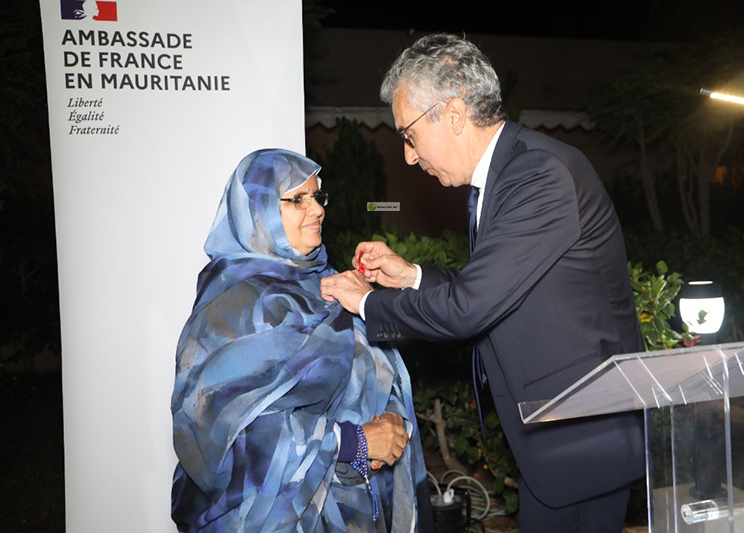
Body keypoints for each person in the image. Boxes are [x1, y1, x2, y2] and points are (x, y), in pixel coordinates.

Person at [320, 34, 646, 532]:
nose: (408, 156)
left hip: (583, 440)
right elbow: (497, 285)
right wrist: (413, 276)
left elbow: (471, 306)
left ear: (452, 114)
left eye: (408, 134)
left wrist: (368, 303)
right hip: (559, 438)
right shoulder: (510, 171)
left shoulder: (539, 174)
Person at [171, 149, 431, 532]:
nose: (318, 210)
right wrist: (352, 442)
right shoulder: (233, 306)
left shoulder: (323, 283)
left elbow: (374, 365)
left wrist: (390, 417)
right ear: (257, 212)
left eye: (317, 197)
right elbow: (218, 435)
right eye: (297, 200)